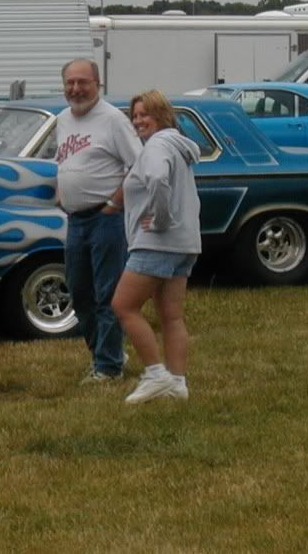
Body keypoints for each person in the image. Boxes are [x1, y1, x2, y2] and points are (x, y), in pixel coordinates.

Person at [111, 90, 201, 404]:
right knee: (171, 315)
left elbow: (159, 180)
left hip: (156, 243)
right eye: (134, 116)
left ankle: (155, 374)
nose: (138, 121)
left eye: (144, 114)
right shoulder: (177, 145)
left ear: (162, 115)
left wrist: (161, 221)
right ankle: (177, 382)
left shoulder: (157, 146)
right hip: (184, 244)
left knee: (123, 306)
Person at [56, 58, 142, 382]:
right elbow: (64, 161)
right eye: (70, 83)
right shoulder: (62, 120)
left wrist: (114, 203)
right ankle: (107, 352)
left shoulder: (113, 120)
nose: (76, 89)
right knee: (79, 293)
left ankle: (108, 366)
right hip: (75, 220)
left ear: (97, 84)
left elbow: (139, 165)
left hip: (105, 220)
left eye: (83, 82)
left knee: (108, 294)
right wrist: (62, 192)